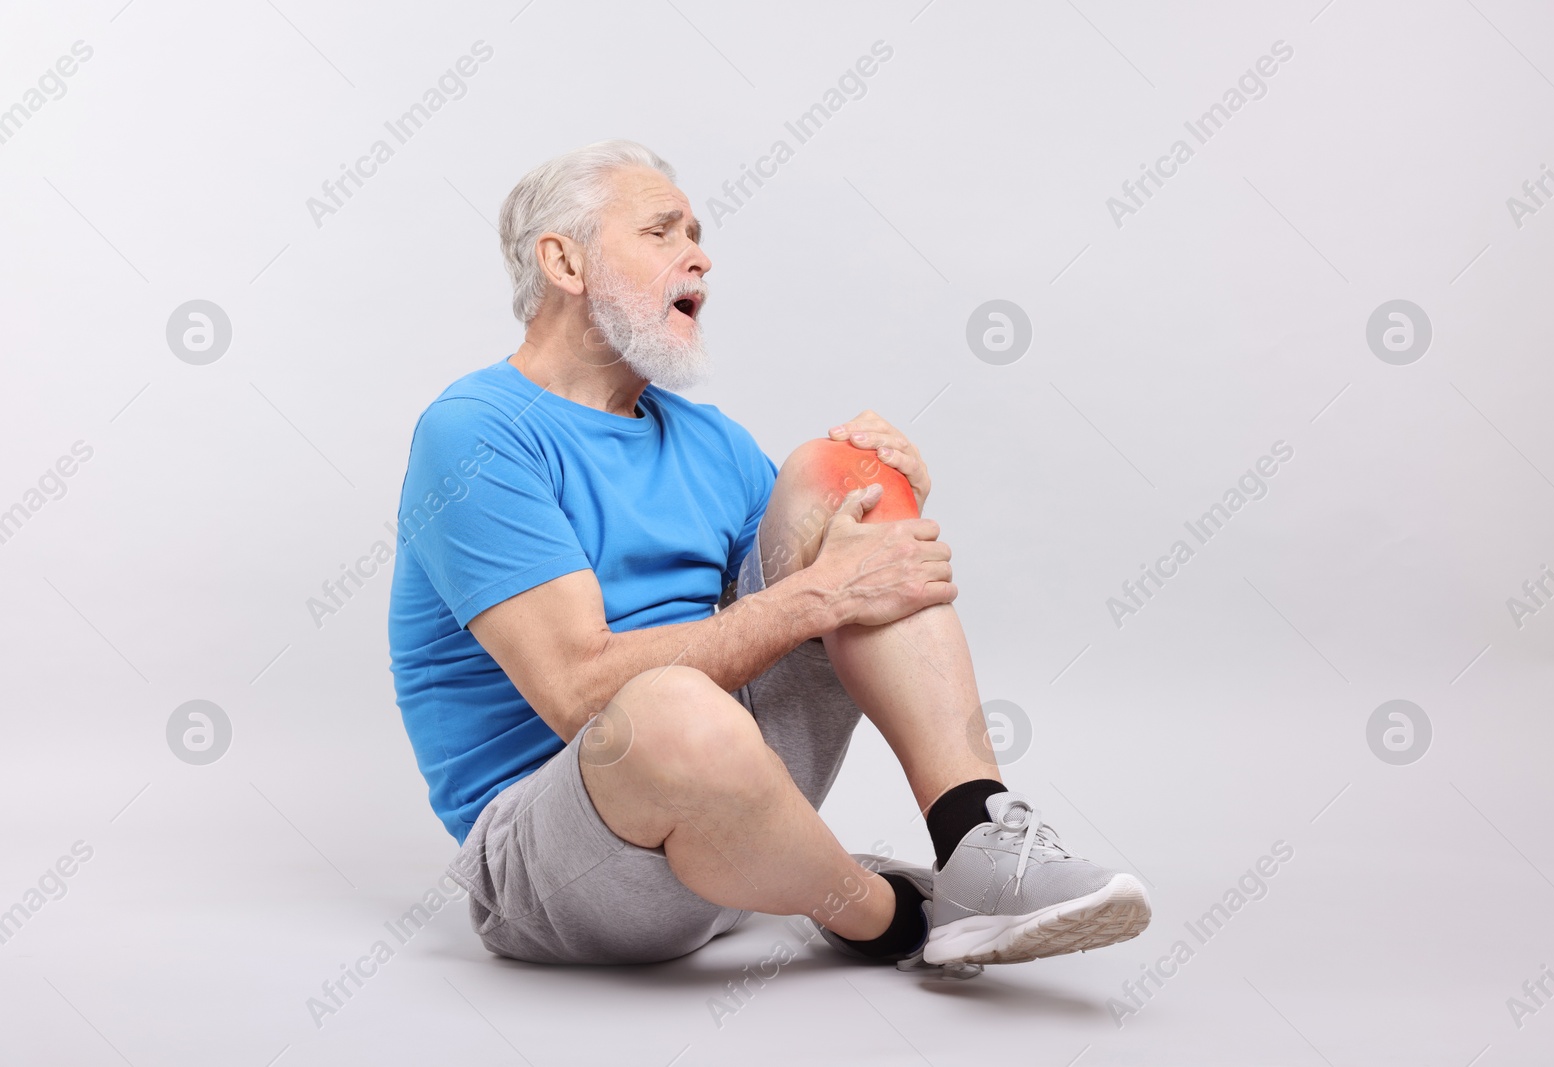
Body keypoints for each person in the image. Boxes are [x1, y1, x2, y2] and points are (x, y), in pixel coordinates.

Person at [387, 139, 1151, 972]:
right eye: (662, 232)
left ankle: (977, 845)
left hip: (728, 801)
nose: (701, 256)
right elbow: (579, 694)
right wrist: (826, 592)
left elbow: (825, 604)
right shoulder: (476, 432)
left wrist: (880, 510)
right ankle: (886, 914)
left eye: (698, 232)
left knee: (843, 477)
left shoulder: (707, 440)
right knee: (674, 707)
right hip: (559, 869)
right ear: (563, 261)